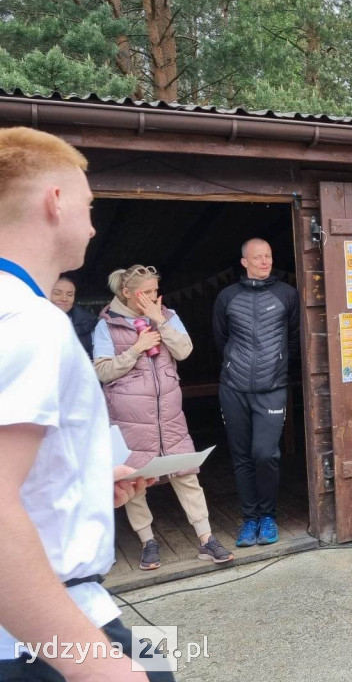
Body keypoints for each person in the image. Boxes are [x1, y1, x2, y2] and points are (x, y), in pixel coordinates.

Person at [0, 126, 171, 680]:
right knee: (155, 669)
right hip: (46, 631)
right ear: (55, 201)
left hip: (44, 617)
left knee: (161, 659)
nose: (95, 224)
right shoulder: (30, 322)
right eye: (89, 204)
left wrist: (86, 483)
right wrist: (98, 667)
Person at [94, 265, 233, 571]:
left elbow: (184, 351)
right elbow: (102, 371)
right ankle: (148, 542)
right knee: (134, 481)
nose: (154, 297)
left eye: (156, 291)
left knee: (186, 473)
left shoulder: (166, 315)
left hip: (169, 413)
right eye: (147, 292)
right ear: (128, 293)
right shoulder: (107, 325)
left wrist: (160, 321)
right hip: (129, 417)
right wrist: (135, 349)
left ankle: (206, 538)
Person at [213, 238, 300, 548]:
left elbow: (294, 339)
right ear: (244, 262)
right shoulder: (227, 297)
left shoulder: (287, 295)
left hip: (272, 387)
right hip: (233, 388)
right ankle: (250, 520)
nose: (265, 261)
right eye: (258, 257)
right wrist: (238, 366)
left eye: (268, 255)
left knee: (266, 454)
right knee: (242, 457)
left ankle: (268, 516)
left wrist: (275, 367)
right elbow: (221, 339)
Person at [49, 273, 97, 356]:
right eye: (57, 293)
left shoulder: (88, 322)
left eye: (70, 294)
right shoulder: (28, 321)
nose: (64, 299)